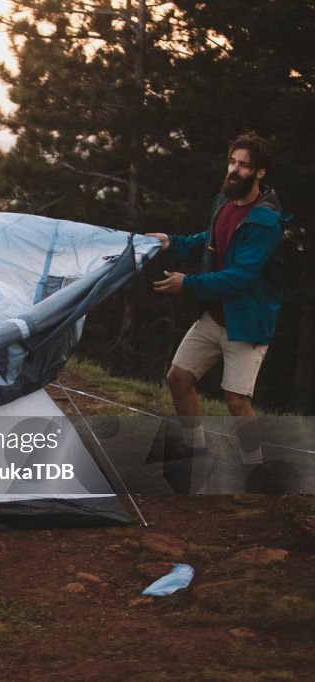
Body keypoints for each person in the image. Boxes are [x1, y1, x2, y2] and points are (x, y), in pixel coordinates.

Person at [146, 132, 284, 490]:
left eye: (244, 166)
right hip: (213, 316)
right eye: (232, 162)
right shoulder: (223, 201)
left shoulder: (266, 223)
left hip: (246, 322)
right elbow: (208, 241)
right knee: (178, 378)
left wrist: (187, 284)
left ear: (260, 173)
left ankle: (254, 473)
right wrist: (170, 243)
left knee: (237, 401)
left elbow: (241, 277)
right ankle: (196, 455)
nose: (235, 170)